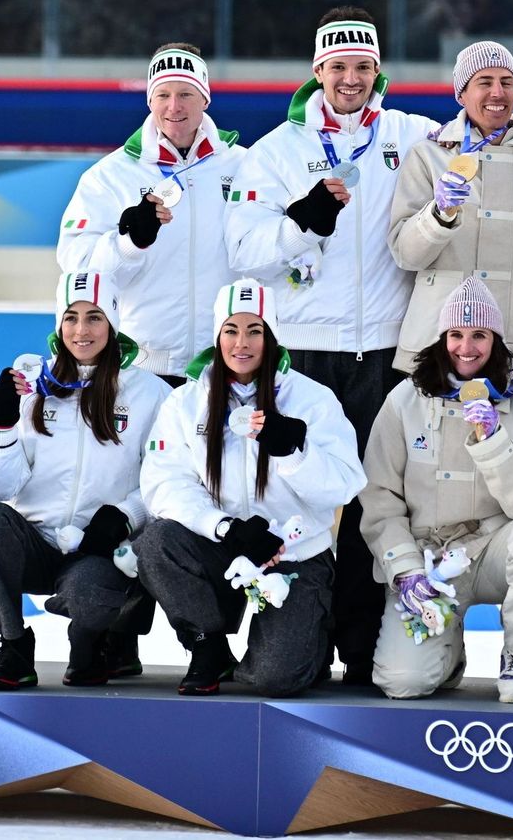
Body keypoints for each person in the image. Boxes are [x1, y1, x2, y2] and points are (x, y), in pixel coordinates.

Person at [225, 7, 439, 684]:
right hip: (308, 354)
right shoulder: (276, 150)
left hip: (386, 350)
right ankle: (296, 638)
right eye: (338, 66)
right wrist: (299, 224)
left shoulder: (413, 137)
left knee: (377, 504)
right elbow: (242, 250)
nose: (351, 78)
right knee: (301, 498)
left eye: (363, 66)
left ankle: (364, 643)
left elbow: (485, 143)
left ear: (379, 71)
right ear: (317, 71)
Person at [135, 279, 365, 696]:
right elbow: (164, 482)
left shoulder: (313, 399)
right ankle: (208, 646)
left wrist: (295, 453)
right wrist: (222, 526)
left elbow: (346, 485)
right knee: (156, 541)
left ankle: (310, 634)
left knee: (273, 679)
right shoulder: (186, 403)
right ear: (216, 336)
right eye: (231, 330)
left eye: (255, 331)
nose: (242, 343)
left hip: (292, 554)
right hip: (222, 547)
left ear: (272, 336)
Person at [0, 271, 171, 690]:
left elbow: (168, 478)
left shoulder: (150, 393)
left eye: (94, 317)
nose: (81, 330)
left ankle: (90, 642)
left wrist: (126, 515)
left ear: (113, 324)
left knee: (90, 600)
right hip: (35, 543)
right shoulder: (28, 387)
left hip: (99, 548)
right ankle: (15, 645)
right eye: (71, 318)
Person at [360, 278, 513, 702]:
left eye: (479, 335)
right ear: (442, 338)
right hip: (429, 559)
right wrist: (406, 568)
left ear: (496, 341)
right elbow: (379, 498)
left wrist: (493, 441)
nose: (466, 347)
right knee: (404, 682)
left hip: (492, 546)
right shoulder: (403, 401)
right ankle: (447, 652)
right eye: (456, 334)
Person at [388, 41, 513, 400]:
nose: (497, 92)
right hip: (440, 350)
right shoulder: (429, 155)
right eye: (484, 81)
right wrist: (438, 216)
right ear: (461, 94)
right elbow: (405, 254)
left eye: (507, 82)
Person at [57, 43, 245, 385]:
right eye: (163, 95)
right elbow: (77, 270)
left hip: (227, 367)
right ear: (149, 101)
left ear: (206, 98)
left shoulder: (246, 166)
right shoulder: (109, 176)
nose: (174, 106)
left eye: (186, 93)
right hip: (143, 370)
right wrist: (128, 243)